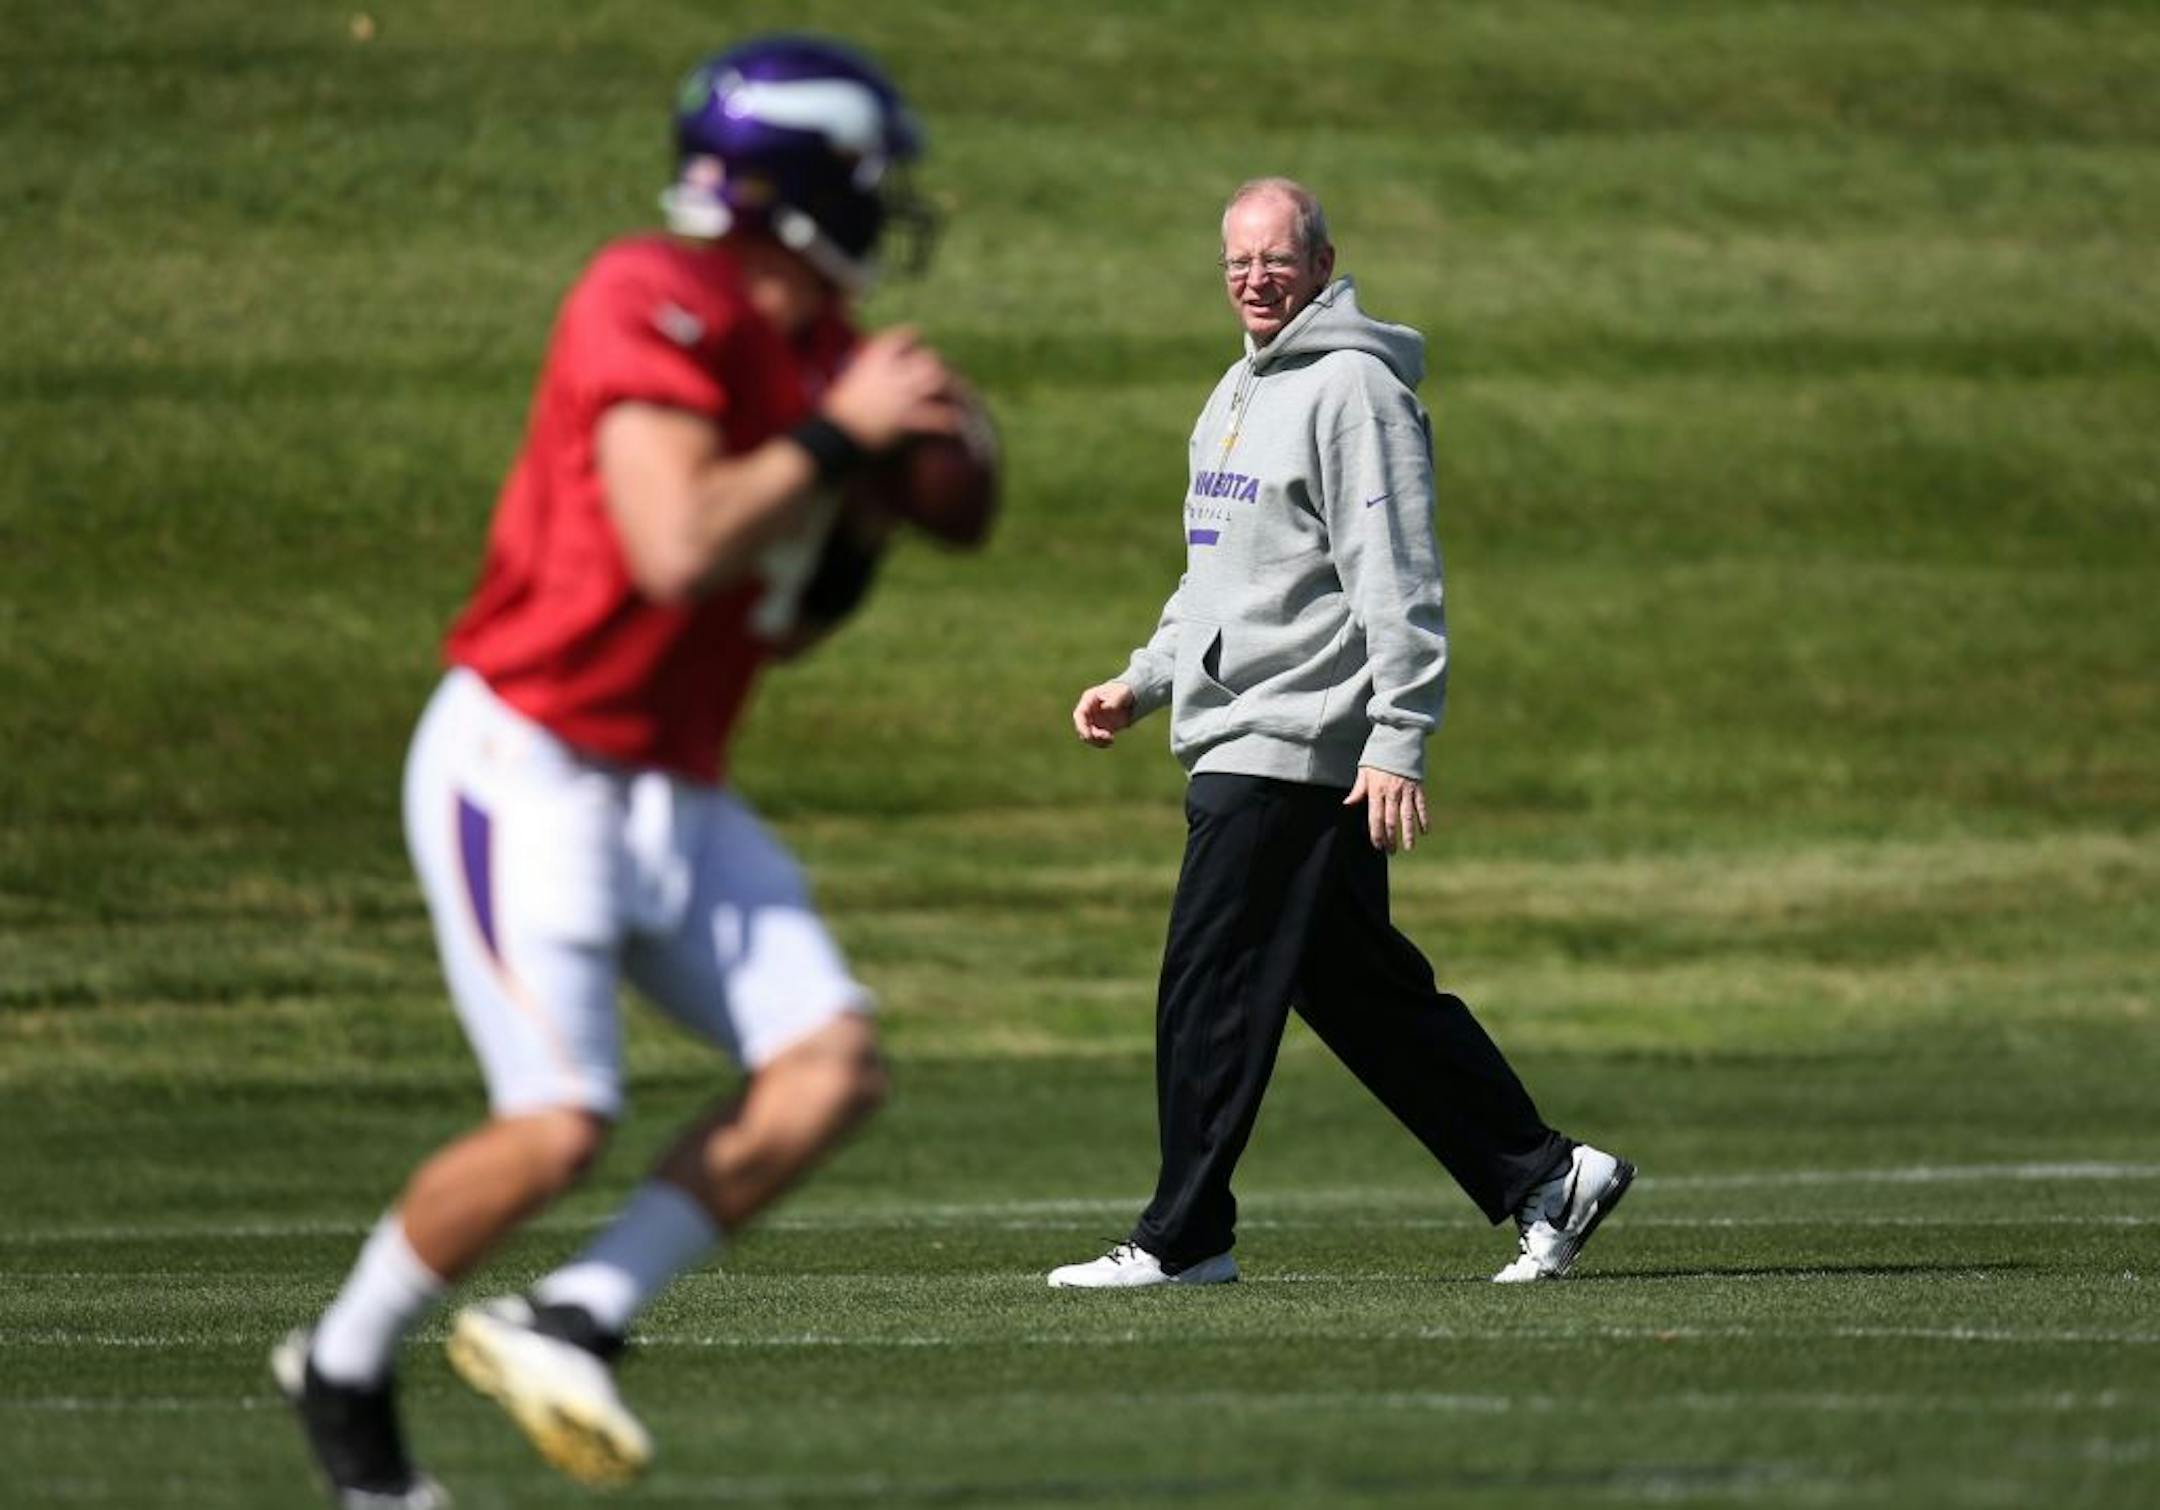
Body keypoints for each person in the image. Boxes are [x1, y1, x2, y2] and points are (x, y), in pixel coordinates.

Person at [272, 37, 963, 1507]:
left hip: (671, 783)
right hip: (526, 761)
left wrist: (873, 513)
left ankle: (572, 1315)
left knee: (830, 1068)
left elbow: (782, 623)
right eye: (866, 180)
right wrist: (837, 439)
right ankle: (342, 1362)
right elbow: (674, 546)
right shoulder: (651, 291)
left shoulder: (821, 347)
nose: (886, 209)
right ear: (796, 189)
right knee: (557, 1121)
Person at [1050, 178, 1632, 1293]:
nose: (1255, 280)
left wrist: (1398, 735)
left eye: (1277, 259)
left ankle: (1184, 1236)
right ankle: (1550, 1177)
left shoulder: (1357, 392)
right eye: (1238, 263)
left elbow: (1397, 575)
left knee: (1209, 986)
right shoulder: (1237, 388)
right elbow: (1216, 576)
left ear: (1322, 264)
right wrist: (1144, 679)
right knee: (1361, 994)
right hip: (1240, 725)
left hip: (1291, 739)